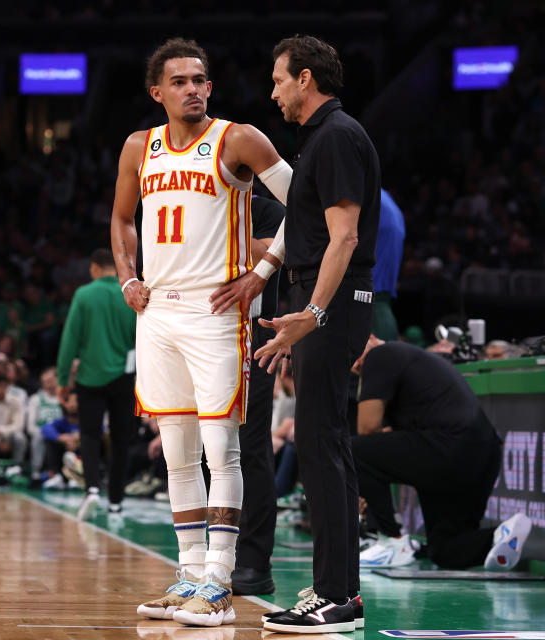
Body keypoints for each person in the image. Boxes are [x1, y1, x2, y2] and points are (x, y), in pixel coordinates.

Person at [113, 38, 294, 627]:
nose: (193, 88)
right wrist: (126, 279)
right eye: (181, 81)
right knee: (178, 453)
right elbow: (120, 220)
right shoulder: (140, 147)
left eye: (201, 80)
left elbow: (308, 207)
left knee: (223, 448)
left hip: (216, 311)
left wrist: (262, 270)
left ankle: (220, 580)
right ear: (157, 92)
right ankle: (190, 573)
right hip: (158, 311)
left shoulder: (238, 137)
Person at [249, 36, 380, 633]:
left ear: (305, 78)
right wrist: (266, 279)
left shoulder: (337, 136)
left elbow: (345, 237)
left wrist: (315, 312)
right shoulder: (322, 139)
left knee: (321, 444)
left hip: (331, 300)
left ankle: (336, 597)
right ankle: (338, 590)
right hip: (315, 297)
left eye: (278, 80)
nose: (273, 91)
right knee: (324, 443)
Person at [351, 337, 530, 571]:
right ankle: (499, 537)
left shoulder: (380, 355)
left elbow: (367, 428)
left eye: (353, 352)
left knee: (351, 450)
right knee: (445, 550)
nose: (354, 364)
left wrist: (364, 484)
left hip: (450, 448)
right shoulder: (412, 363)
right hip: (482, 455)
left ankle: (394, 542)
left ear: (371, 338)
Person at [230, 195, 285, 596]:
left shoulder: (267, 210)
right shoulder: (191, 198)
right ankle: (209, 558)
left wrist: (223, 222)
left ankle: (254, 561)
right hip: (198, 331)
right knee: (201, 450)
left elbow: (273, 254)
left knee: (250, 447)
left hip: (252, 336)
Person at [56, 248, 136, 520]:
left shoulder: (84, 295)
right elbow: (141, 337)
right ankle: (116, 501)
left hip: (90, 377)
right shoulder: (128, 294)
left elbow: (70, 340)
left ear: (92, 268)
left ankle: (91, 488)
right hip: (124, 377)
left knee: (90, 436)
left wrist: (62, 379)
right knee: (121, 440)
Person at [371, 189, 405, 341]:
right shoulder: (384, 196)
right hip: (389, 235)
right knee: (380, 298)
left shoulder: (358, 183)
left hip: (381, 237)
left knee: (376, 299)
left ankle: (385, 351)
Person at [26, 367, 64, 480]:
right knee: (38, 437)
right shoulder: (36, 399)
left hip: (60, 435)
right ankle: (36, 472)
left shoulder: (63, 398)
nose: (48, 384)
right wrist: (45, 433)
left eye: (51, 380)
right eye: (45, 381)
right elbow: (30, 426)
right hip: (42, 434)